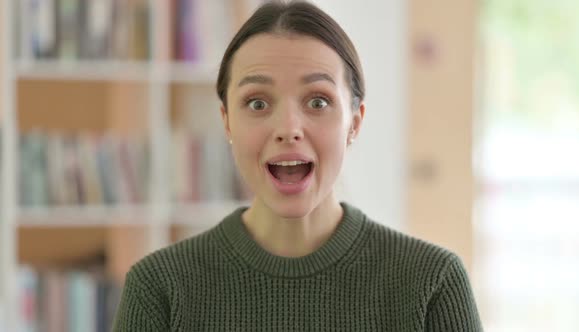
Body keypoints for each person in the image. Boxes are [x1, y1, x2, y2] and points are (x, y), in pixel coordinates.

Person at [113, 1, 483, 331]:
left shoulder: (433, 282)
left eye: (318, 102)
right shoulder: (158, 288)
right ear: (227, 121)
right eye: (257, 103)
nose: (288, 129)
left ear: (354, 122)